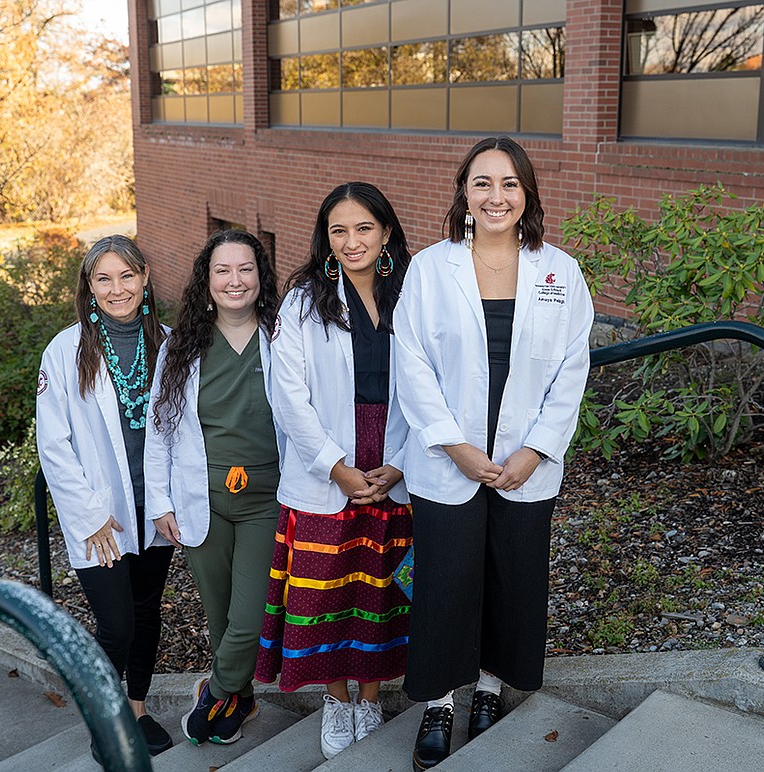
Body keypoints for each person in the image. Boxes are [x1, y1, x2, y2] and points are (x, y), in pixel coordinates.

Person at [393, 137, 594, 770]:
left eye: (509, 184)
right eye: (482, 184)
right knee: (447, 583)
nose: (496, 196)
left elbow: (572, 367)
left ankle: (485, 691)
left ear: (527, 192)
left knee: (511, 579)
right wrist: (454, 446)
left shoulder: (559, 270)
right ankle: (441, 704)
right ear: (464, 194)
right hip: (447, 459)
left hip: (522, 466)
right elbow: (413, 363)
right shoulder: (430, 268)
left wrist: (535, 451)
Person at [254, 182, 414, 759]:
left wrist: (399, 464)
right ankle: (337, 696)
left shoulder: (412, 290)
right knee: (323, 590)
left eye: (364, 228)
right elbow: (288, 393)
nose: (352, 242)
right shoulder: (303, 298)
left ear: (387, 232)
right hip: (327, 463)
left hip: (396, 458)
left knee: (379, 588)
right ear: (325, 237)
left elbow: (436, 380)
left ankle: (370, 695)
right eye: (339, 230)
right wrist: (337, 468)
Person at [35, 234, 176, 759]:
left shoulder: (167, 340)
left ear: (144, 279)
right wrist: (91, 516)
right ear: (89, 288)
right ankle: (104, 716)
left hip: (154, 510)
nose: (117, 289)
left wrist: (171, 503)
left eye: (126, 276)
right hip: (101, 518)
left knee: (146, 614)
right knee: (115, 625)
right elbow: (53, 445)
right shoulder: (66, 350)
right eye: (104, 279)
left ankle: (136, 709)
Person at [144, 229, 282, 747]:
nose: (234, 280)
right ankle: (239, 701)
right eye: (222, 270)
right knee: (221, 615)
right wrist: (160, 502)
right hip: (201, 498)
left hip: (266, 498)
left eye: (245, 269)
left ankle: (213, 693)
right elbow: (160, 430)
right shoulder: (182, 347)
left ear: (259, 277)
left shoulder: (283, 334)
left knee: (249, 614)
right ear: (207, 282)